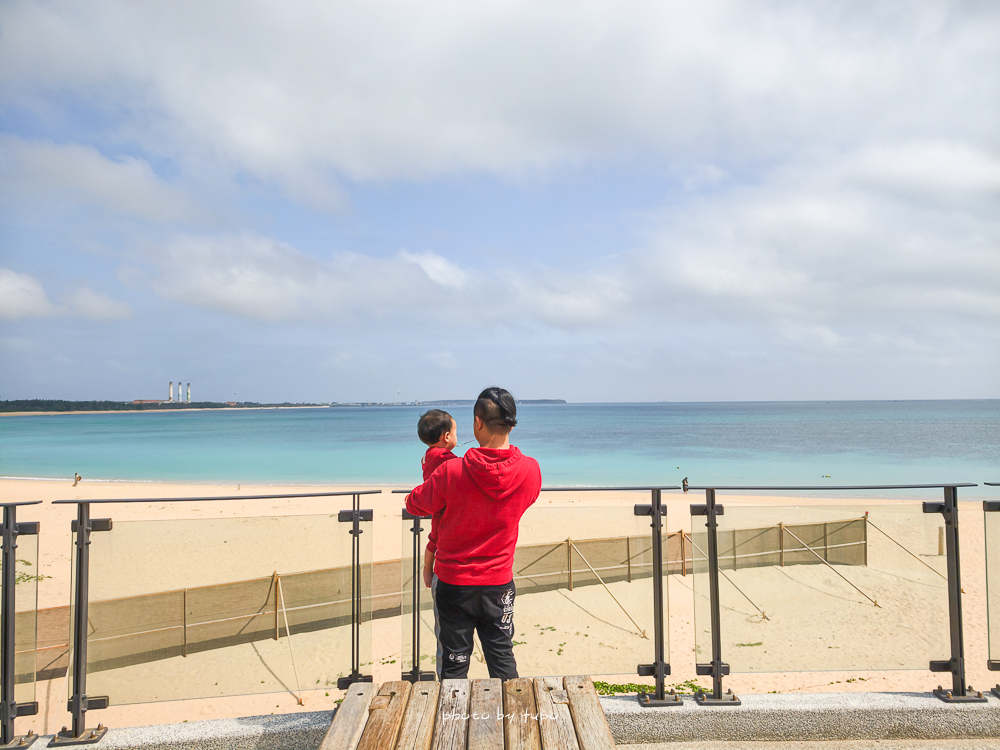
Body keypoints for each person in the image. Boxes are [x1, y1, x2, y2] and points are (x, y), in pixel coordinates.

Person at [405, 387, 541, 680]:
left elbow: (416, 504)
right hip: (499, 582)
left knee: (453, 666)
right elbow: (524, 501)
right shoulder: (531, 470)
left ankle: (452, 725)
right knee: (502, 659)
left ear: (478, 423)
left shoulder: (451, 472)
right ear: (512, 423)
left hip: (453, 583)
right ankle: (514, 723)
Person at [415, 409, 460, 588]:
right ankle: (427, 568)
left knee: (434, 538)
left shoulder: (428, 455)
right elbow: (461, 468)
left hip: (435, 503)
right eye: (456, 432)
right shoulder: (444, 457)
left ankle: (427, 569)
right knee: (436, 538)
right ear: (447, 436)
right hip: (443, 506)